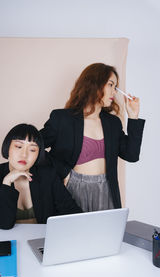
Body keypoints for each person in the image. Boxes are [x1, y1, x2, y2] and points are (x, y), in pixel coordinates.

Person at [40, 63, 145, 213]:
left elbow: (132, 155)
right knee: (73, 235)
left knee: (106, 235)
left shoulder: (112, 123)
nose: (114, 91)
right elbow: (34, 147)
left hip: (107, 190)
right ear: (94, 84)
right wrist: (65, 173)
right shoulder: (62, 119)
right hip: (72, 189)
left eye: (115, 86)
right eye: (110, 84)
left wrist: (133, 117)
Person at [0, 123, 82, 229]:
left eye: (32, 150)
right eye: (19, 146)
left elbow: (72, 212)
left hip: (44, 239)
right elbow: (3, 224)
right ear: (7, 148)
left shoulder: (48, 174)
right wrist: (6, 182)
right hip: (10, 239)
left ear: (38, 154)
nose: (24, 154)